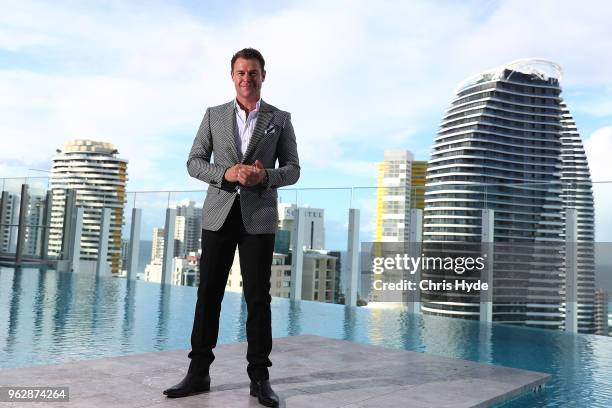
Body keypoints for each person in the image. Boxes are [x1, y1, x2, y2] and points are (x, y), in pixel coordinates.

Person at [163, 48, 300, 408]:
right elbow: (193, 162)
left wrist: (264, 175)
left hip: (259, 218)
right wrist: (224, 173)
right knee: (208, 293)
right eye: (241, 73)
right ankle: (198, 373)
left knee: (258, 298)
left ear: (263, 76)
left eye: (253, 73)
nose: (246, 79)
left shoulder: (280, 119)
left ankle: (259, 378)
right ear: (232, 76)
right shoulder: (213, 116)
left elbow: (294, 169)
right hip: (219, 215)